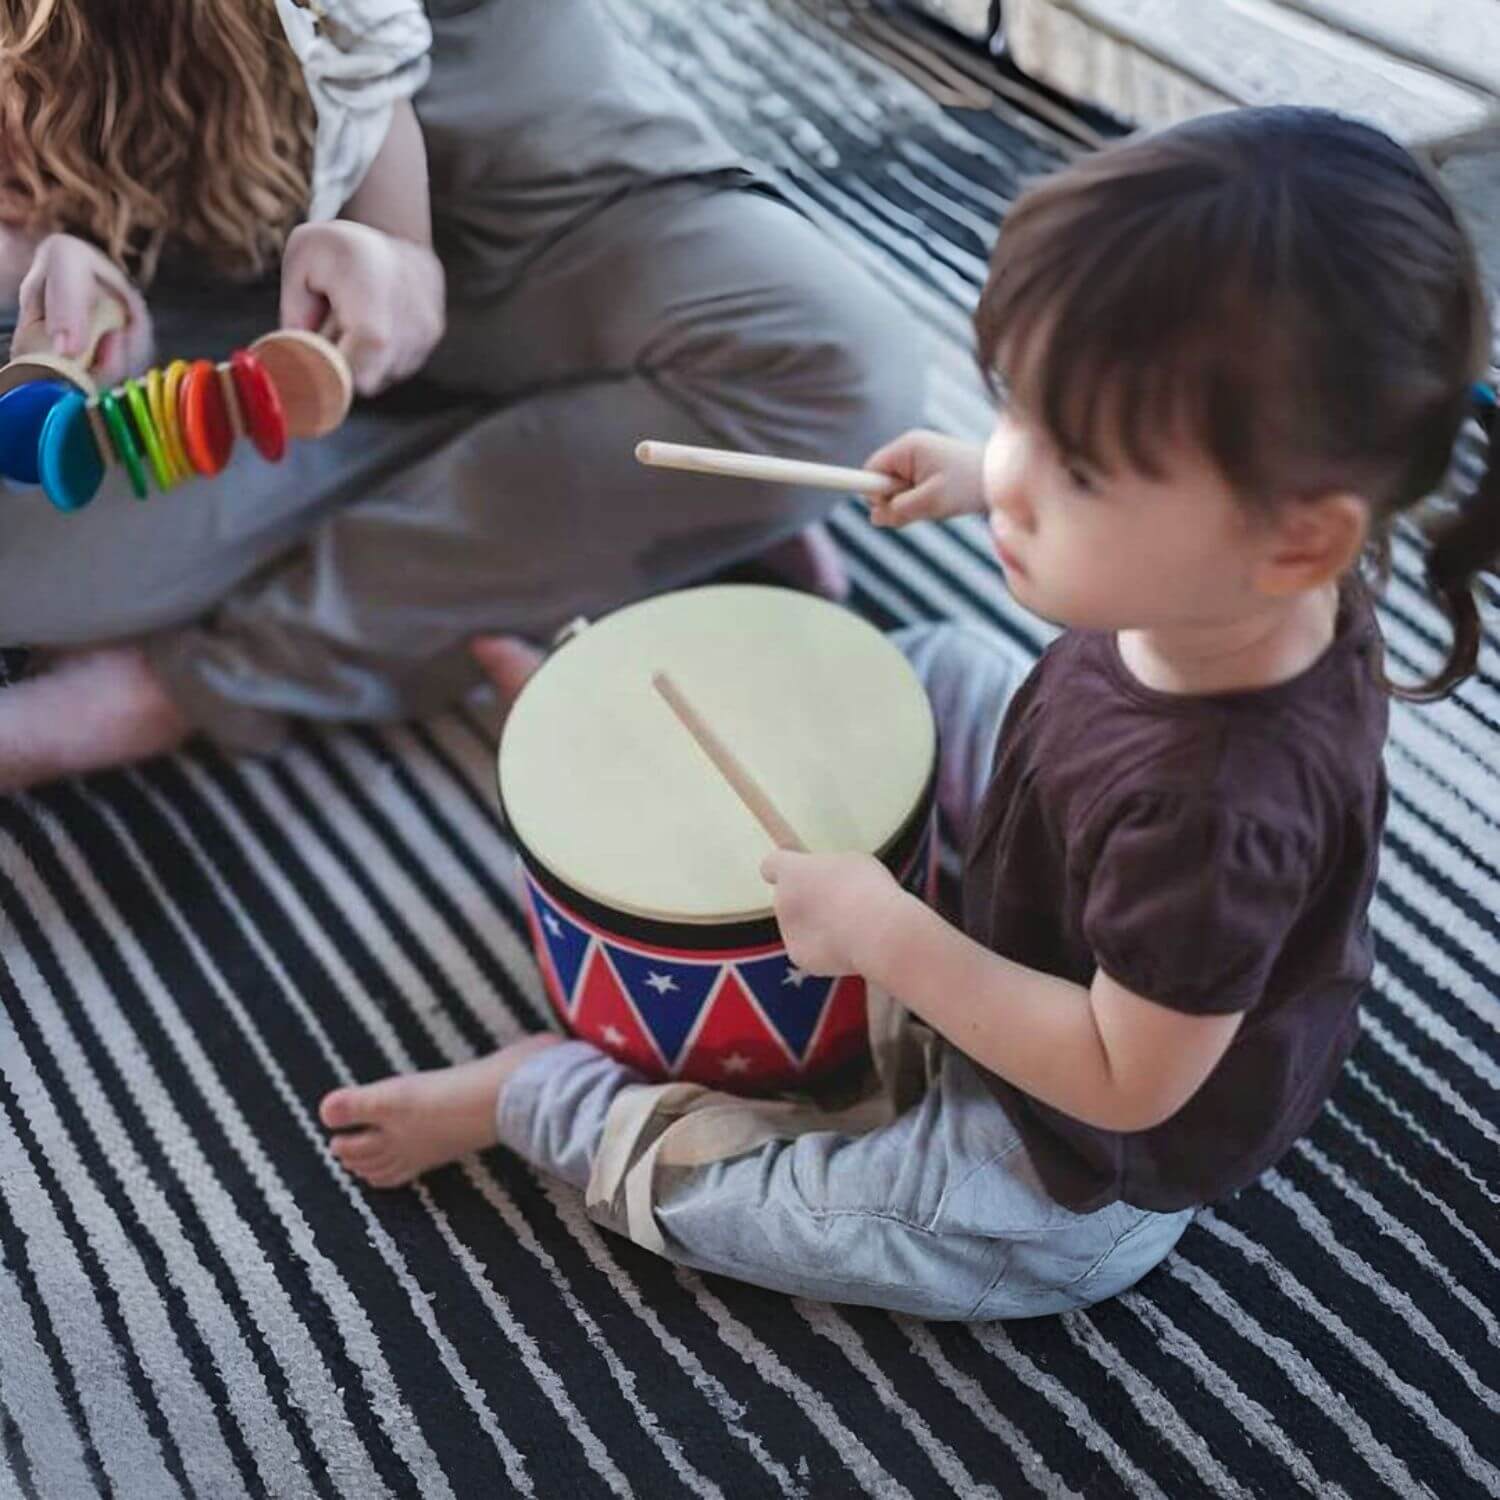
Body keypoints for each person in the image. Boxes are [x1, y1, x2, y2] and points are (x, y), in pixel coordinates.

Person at [320, 107, 1497, 1320]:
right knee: (928, 663)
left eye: (1075, 468)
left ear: (1295, 538)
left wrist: (888, 935)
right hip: (1061, 851)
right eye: (1025, 413)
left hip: (1083, 1149)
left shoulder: (1220, 816)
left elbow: (1118, 1078)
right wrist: (986, 470)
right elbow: (1119, 495)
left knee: (825, 1217)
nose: (1021, 476)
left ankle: (533, 1100)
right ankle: (625, 697)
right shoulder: (1257, 572)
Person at [0, 0, 920, 788]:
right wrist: (62, 265)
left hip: (520, 177)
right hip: (231, 283)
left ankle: (201, 679)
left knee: (842, 375)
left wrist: (393, 244)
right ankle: (605, 490)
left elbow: (380, 115)